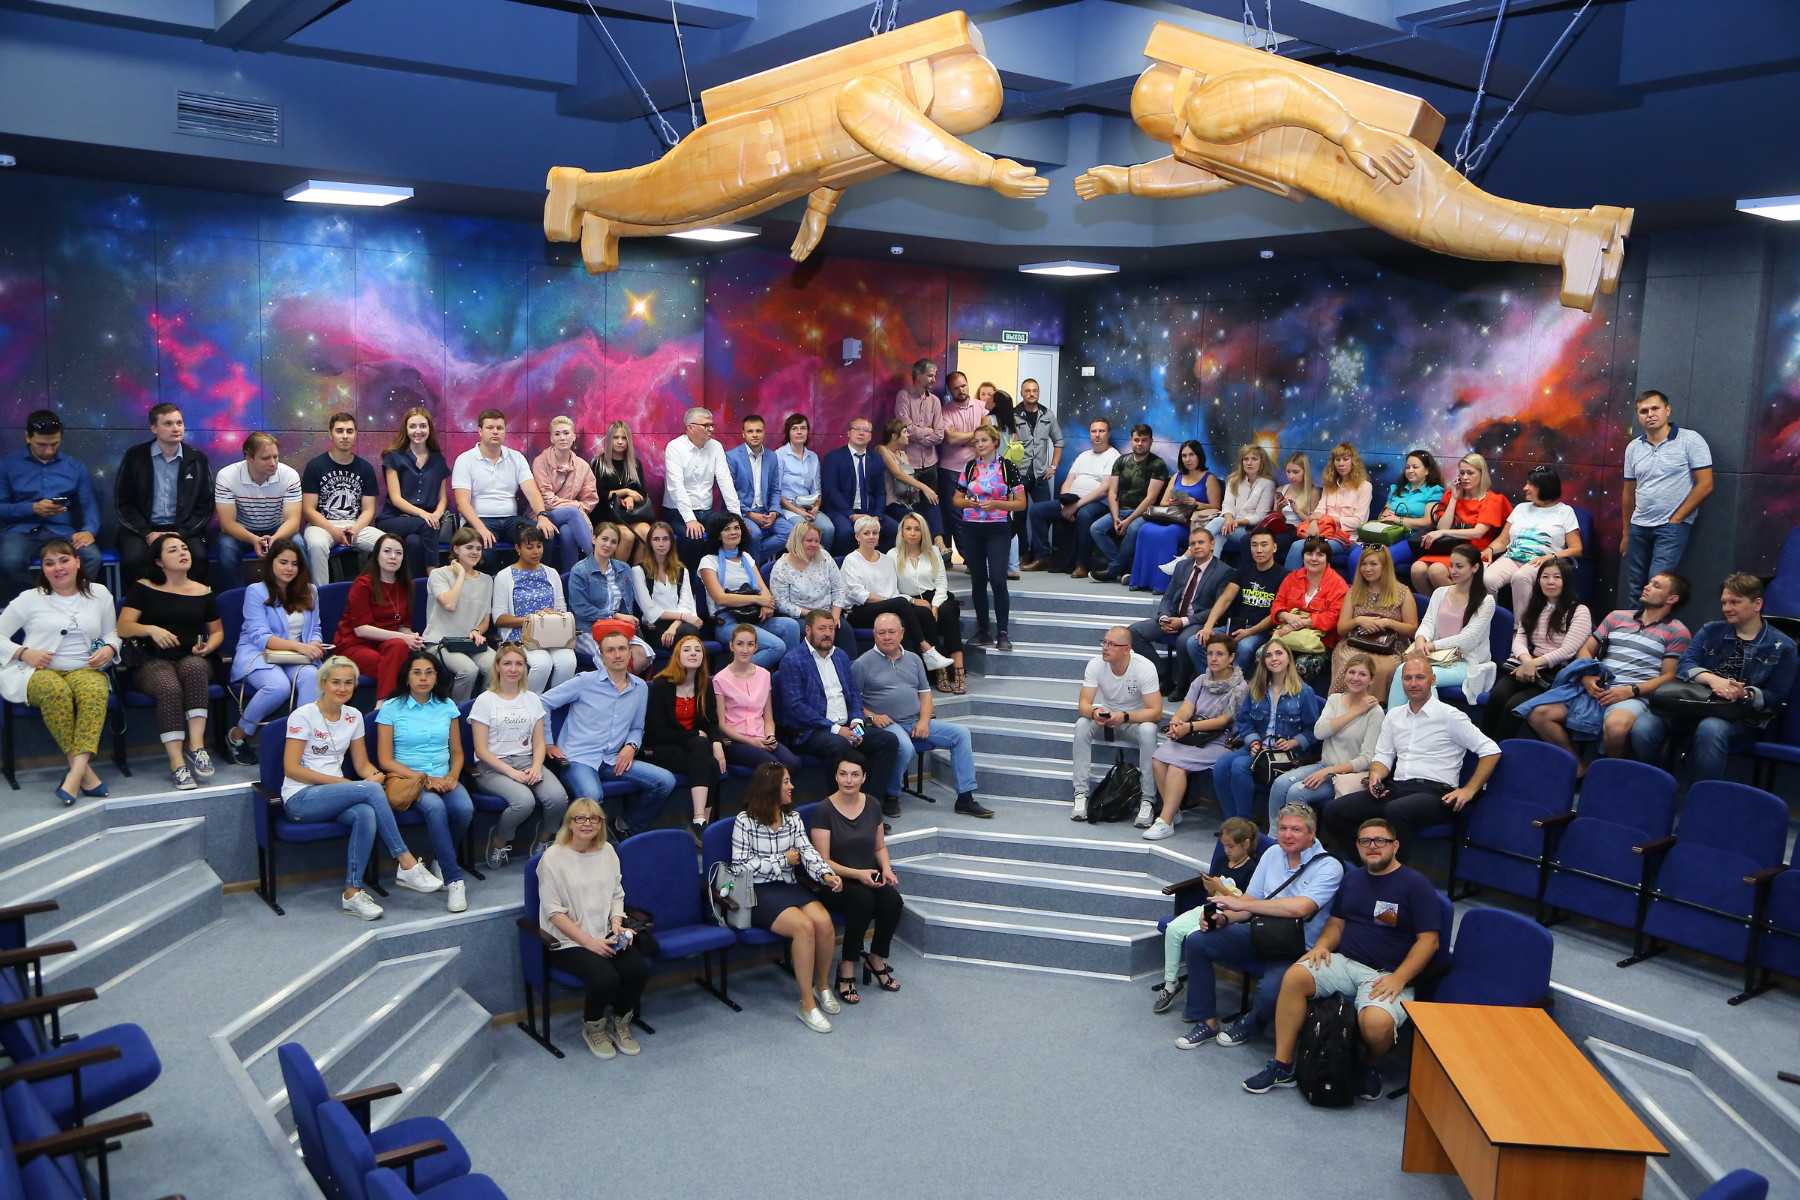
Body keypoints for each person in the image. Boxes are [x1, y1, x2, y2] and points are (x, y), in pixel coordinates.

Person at [1241, 816, 1443, 1100]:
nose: (1373, 846)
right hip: (1345, 963)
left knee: (1376, 1025)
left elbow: (1429, 941)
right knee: (1295, 975)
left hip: (1387, 973)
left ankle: (1370, 1063)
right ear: (1358, 846)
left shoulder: (1415, 885)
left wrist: (1399, 978)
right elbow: (1336, 923)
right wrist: (1321, 946)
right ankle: (1282, 1065)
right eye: (1365, 841)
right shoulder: (1353, 879)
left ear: (1395, 846)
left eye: (1380, 840)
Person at [1167, 805, 1345, 1049]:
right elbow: (1250, 901)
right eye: (1283, 828)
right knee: (1198, 940)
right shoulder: (1272, 853)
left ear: (1312, 833)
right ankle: (1206, 1021)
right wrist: (1225, 919)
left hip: (1296, 948)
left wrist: (1239, 903)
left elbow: (1301, 908)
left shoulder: (1329, 866)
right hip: (1261, 932)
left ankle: (1250, 1024)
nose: (1287, 835)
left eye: (1296, 829)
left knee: (1272, 992)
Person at [281, 655, 441, 921]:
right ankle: (406, 863)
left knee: (365, 813)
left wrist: (378, 777)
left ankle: (352, 894)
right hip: (300, 798)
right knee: (368, 792)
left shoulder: (353, 716)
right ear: (323, 683)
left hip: (335, 796)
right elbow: (291, 769)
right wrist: (350, 785)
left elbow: (362, 764)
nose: (342, 688)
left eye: (348, 683)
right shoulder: (303, 715)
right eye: (336, 682)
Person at [1325, 656, 1501, 859]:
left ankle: (1396, 874)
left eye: (1420, 677)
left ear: (1433, 680)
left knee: (1396, 810)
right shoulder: (1394, 716)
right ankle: (1369, 866)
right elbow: (1383, 756)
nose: (1413, 683)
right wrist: (1375, 775)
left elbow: (1491, 750)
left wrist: (1469, 790)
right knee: (1334, 810)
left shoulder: (1450, 716)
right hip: (1397, 788)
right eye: (1407, 678)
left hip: (1436, 794)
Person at [1635, 573, 1798, 782]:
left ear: (1757, 604)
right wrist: (1712, 679)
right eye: (1724, 602)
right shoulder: (1711, 630)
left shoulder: (1783, 646)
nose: (1727, 608)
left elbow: (1777, 695)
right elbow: (1685, 665)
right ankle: (1657, 783)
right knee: (1644, 727)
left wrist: (1745, 694)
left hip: (1740, 716)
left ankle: (1702, 795)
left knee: (1710, 728)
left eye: (1735, 602)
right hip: (1692, 704)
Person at [1526, 571, 1691, 770]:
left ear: (1672, 598)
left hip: (1634, 694)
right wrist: (1587, 674)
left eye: (1656, 586)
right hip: (1598, 687)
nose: (1647, 587)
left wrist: (1632, 690)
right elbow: (1586, 649)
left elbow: (1669, 676)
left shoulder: (1677, 631)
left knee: (1616, 727)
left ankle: (1613, 774)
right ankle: (1579, 768)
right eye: (1649, 582)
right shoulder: (1616, 616)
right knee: (1538, 714)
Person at [0, 542, 119, 804]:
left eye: (64, 560)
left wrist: (110, 648)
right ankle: (84, 775)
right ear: (43, 569)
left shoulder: (100, 593)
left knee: (95, 691)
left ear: (77, 561)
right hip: (38, 671)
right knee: (56, 691)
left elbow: (112, 633)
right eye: (49, 563)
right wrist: (24, 652)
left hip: (85, 668)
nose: (58, 568)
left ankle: (75, 774)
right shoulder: (29, 598)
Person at [730, 764, 843, 1032]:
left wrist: (826, 875)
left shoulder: (792, 818)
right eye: (786, 782)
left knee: (824, 922)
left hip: (787, 885)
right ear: (771, 787)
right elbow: (739, 867)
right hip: (757, 891)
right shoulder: (744, 821)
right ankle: (807, 1005)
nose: (792, 787)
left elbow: (808, 852)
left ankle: (822, 985)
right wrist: (781, 860)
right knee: (804, 927)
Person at [536, 797, 647, 1059]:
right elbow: (553, 912)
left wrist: (617, 924)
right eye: (580, 818)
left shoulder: (607, 851)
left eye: (594, 818)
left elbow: (617, 894)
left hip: (605, 932)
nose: (587, 823)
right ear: (569, 824)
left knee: (637, 969)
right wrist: (589, 942)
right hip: (568, 940)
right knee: (605, 978)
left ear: (600, 824)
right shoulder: (552, 858)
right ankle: (593, 1027)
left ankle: (619, 1022)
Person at [542, 631, 677, 841]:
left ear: (630, 653)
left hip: (613, 759)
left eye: (622, 649)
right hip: (578, 758)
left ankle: (626, 826)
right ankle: (578, 843)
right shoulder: (584, 681)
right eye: (610, 650)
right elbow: (542, 703)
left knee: (665, 781)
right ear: (601, 655)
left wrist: (631, 746)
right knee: (593, 797)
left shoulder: (640, 687)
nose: (617, 654)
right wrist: (548, 743)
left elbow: (637, 728)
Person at [854, 612, 990, 818]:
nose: (887, 637)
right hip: (887, 725)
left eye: (891, 632)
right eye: (881, 633)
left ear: (902, 633)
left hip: (914, 721)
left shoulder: (914, 659)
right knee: (904, 746)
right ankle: (891, 794)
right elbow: (853, 701)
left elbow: (925, 695)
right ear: (874, 635)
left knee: (961, 734)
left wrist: (924, 721)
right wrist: (873, 716)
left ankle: (965, 797)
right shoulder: (861, 664)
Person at [117, 536, 222, 790]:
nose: (182, 553)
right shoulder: (143, 587)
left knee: (195, 668)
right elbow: (123, 627)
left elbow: (217, 632)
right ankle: (177, 763)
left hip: (191, 656)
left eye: (185, 548)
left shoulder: (203, 591)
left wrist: (209, 647)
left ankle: (196, 746)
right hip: (151, 660)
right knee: (169, 687)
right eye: (173, 550)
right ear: (159, 561)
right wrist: (151, 629)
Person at [775, 609, 903, 815]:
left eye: (831, 628)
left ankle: (871, 808)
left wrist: (857, 721)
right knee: (839, 744)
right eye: (822, 628)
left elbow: (853, 694)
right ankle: (838, 812)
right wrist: (837, 729)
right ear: (808, 630)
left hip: (847, 726)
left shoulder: (841, 656)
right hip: (812, 731)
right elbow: (795, 707)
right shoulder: (793, 660)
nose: (828, 633)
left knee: (887, 740)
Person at [375, 651, 474, 913]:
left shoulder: (447, 705)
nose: (423, 678)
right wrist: (425, 779)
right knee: (436, 808)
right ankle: (454, 880)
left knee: (464, 808)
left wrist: (453, 776)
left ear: (437, 677)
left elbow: (457, 752)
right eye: (417, 672)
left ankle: (442, 858)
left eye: (429, 672)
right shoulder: (391, 708)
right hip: (409, 779)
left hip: (444, 776)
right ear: (406, 677)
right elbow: (385, 760)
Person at [811, 755, 905, 1003]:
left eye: (855, 774)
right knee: (863, 901)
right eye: (843, 774)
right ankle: (847, 966)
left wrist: (886, 869)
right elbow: (823, 861)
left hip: (867, 874)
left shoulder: (872, 804)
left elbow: (879, 847)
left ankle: (876, 959)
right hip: (835, 880)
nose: (848, 780)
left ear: (864, 777)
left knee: (893, 901)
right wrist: (858, 875)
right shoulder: (824, 810)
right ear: (836, 776)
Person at [224, 537, 324, 765]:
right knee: (278, 687)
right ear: (271, 564)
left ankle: (299, 744)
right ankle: (239, 734)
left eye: (295, 564)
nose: (289, 568)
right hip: (260, 654)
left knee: (313, 677)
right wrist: (301, 646)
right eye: (283, 562)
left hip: (297, 657)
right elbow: (261, 637)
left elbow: (315, 629)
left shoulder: (311, 591)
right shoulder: (256, 591)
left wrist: (315, 644)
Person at [472, 643, 569, 868]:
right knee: (523, 802)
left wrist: (536, 767)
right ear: (497, 666)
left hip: (527, 761)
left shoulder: (532, 698)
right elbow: (481, 750)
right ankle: (499, 839)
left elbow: (539, 743)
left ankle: (544, 838)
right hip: (493, 766)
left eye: (519, 664)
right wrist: (512, 773)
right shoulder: (485, 700)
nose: (513, 669)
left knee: (558, 798)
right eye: (507, 663)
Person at [1143, 633, 1245, 840]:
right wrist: (1177, 722)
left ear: (1231, 657)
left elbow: (1223, 721)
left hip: (1220, 741)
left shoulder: (1240, 687)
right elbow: (1186, 708)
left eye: (1220, 654)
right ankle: (1173, 811)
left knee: (1177, 766)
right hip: (1194, 735)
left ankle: (1165, 821)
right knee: (1158, 759)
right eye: (1210, 654)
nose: (1214, 658)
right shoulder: (1200, 680)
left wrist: (1188, 727)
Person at [1212, 639, 1324, 822]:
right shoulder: (1256, 688)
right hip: (1259, 747)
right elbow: (1245, 721)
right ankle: (1231, 822)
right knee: (1221, 766)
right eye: (1269, 655)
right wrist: (1253, 741)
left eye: (1279, 653)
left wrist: (1293, 742)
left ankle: (1243, 823)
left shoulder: (1304, 692)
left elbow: (1314, 730)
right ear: (1264, 662)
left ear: (1289, 658)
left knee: (1240, 766)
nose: (1274, 658)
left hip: (1287, 752)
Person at [1266, 654, 1384, 825]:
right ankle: (1275, 835)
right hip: (1324, 765)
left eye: (1362, 674)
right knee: (1279, 784)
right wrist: (1355, 711)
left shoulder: (1375, 712)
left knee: (1296, 791)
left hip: (1346, 775)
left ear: (1371, 680)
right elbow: (1319, 732)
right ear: (1345, 674)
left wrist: (1329, 771)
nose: (1355, 678)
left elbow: (1366, 759)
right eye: (1351, 672)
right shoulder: (1335, 699)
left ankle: (1302, 838)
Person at [1483, 558, 1592, 740]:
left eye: (1557, 577)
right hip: (1528, 664)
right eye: (1545, 577)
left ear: (1566, 581)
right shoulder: (1535, 607)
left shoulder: (1579, 611)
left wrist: (1533, 664)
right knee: (1498, 695)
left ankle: (1501, 748)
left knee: (1514, 705)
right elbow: (1520, 638)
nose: (1550, 582)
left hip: (1556, 672)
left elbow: (1568, 650)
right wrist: (1526, 660)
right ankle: (1485, 744)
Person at [0, 411, 102, 604]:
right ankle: (37, 606)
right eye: (42, 445)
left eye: (54, 444)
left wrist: (89, 530)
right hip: (21, 530)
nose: (48, 450)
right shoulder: (7, 465)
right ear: (28, 437)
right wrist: (32, 508)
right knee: (9, 561)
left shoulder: (75, 467)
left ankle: (72, 604)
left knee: (92, 558)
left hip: (62, 530)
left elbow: (89, 504)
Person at [1621, 389, 1713, 603]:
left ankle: (1655, 625)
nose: (1650, 414)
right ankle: (1634, 624)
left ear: (1667, 410)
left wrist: (1677, 519)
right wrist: (1626, 533)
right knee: (1635, 588)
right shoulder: (1633, 447)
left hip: (1670, 527)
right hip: (1638, 526)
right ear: (1638, 416)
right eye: (1644, 411)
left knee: (1658, 586)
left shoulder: (1690, 440)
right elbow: (1628, 493)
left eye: (1655, 408)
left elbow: (1705, 484)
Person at [114, 403, 213, 589]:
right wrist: (147, 533)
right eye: (168, 424)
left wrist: (182, 533)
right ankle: (142, 604)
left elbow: (205, 505)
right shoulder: (135, 456)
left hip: (183, 529)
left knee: (198, 557)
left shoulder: (197, 459)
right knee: (134, 558)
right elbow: (124, 503)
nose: (176, 428)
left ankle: (191, 603)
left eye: (179, 423)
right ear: (154, 428)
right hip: (143, 529)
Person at [1071, 626, 1164, 821]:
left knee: (1149, 730)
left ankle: (1147, 800)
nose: (1105, 647)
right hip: (1106, 721)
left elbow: (1155, 712)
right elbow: (1083, 705)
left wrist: (1125, 716)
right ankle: (1080, 794)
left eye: (1112, 644)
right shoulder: (1095, 664)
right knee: (1081, 725)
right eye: (1104, 642)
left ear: (1126, 649)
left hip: (1133, 722)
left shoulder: (1144, 667)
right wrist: (1095, 712)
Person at [451, 409, 558, 573]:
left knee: (543, 535)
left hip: (511, 520)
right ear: (480, 431)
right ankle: (488, 588)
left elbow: (532, 492)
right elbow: (462, 503)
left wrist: (542, 516)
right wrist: (481, 528)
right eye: (490, 428)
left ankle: (537, 579)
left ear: (505, 431)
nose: (495, 432)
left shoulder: (516, 457)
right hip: (479, 520)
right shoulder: (465, 460)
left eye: (499, 428)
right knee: (484, 550)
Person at [1128, 526, 1236, 689]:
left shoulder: (1224, 571)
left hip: (1198, 620)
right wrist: (1164, 617)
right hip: (1173, 616)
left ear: (1212, 545)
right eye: (1193, 544)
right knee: (1133, 632)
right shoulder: (1182, 566)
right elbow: (1168, 596)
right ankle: (1162, 674)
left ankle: (1182, 684)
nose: (1197, 547)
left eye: (1201, 542)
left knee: (1184, 641)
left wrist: (1184, 621)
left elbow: (1218, 609)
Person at [643, 635, 728, 841]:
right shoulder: (662, 684)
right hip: (663, 746)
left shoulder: (705, 683)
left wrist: (717, 743)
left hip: (694, 748)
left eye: (698, 650)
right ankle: (701, 823)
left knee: (710, 760)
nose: (693, 653)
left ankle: (700, 822)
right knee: (703, 750)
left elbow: (711, 721)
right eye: (687, 649)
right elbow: (658, 730)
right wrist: (694, 734)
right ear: (677, 656)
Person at [1391, 543, 1495, 707]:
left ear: (1475, 567)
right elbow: (1428, 623)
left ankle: (1432, 722)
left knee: (1423, 677)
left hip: (1465, 662)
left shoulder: (1486, 601)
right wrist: (1420, 640)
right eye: (1451, 565)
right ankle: (1393, 720)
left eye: (1459, 566)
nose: (1453, 571)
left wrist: (1433, 645)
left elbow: (1468, 639)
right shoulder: (1440, 593)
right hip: (1436, 658)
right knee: (1402, 670)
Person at [840, 516, 951, 669]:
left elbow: (894, 592)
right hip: (859, 611)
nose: (871, 537)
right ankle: (926, 649)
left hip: (888, 606)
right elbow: (858, 594)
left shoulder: (885, 559)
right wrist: (889, 602)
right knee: (901, 604)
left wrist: (905, 602)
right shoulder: (852, 560)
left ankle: (924, 667)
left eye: (875, 533)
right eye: (866, 533)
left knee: (922, 612)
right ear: (857, 537)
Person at [697, 513, 799, 671]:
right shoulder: (709, 561)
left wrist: (766, 605)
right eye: (727, 529)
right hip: (727, 621)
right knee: (776, 646)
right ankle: (730, 676)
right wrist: (758, 600)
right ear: (718, 535)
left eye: (736, 528)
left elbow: (763, 590)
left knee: (792, 626)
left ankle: (788, 676)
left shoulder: (746, 557)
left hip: (753, 615)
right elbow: (721, 598)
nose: (733, 532)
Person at [956, 423, 1025, 651]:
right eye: (976, 441)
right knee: (977, 580)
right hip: (972, 527)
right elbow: (956, 499)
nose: (980, 444)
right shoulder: (969, 467)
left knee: (997, 579)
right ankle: (984, 630)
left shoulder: (1007, 467)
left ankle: (1002, 632)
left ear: (995, 442)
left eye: (984, 440)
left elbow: (1021, 503)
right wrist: (970, 502)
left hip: (998, 528)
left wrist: (996, 503)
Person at [1481, 464, 1583, 611]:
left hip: (1542, 561)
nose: (1525, 488)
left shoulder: (1565, 512)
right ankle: (1490, 620)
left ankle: (1521, 624)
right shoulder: (1520, 508)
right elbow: (1503, 541)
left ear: (1544, 487)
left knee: (1520, 577)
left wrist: (1549, 557)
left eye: (1530, 485)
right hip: (1512, 557)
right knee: (1487, 579)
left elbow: (1576, 549)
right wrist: (1489, 549)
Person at [1025, 418, 1117, 577]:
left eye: (1101, 431)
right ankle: (1042, 557)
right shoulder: (1083, 456)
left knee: (1084, 514)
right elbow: (1068, 482)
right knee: (1037, 510)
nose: (1097, 435)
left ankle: (1082, 564)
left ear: (1108, 434)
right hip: (1072, 501)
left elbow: (1104, 490)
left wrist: (1075, 506)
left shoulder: (1113, 456)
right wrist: (1064, 503)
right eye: (1094, 431)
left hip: (1097, 504)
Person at [335, 533, 422, 700]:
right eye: (387, 551)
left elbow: (403, 625)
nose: (393, 556)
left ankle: (385, 705)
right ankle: (385, 705)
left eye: (398, 553)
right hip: (355, 643)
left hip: (388, 644)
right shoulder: (363, 584)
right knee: (395, 666)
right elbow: (361, 630)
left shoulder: (407, 586)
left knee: (399, 648)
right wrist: (403, 637)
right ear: (377, 555)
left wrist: (412, 637)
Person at [300, 411, 384, 584]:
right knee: (317, 545)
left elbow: (369, 509)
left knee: (387, 544)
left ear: (355, 434)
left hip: (355, 525)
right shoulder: (315, 466)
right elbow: (308, 510)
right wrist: (335, 531)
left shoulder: (365, 468)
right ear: (330, 434)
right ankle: (321, 594)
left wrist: (355, 529)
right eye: (339, 431)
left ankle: (377, 592)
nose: (345, 436)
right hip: (321, 525)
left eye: (349, 431)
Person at [213, 432, 302, 593]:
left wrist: (275, 539)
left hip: (277, 529)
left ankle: (299, 596)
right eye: (265, 458)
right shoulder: (227, 476)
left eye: (276, 456)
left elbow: (293, 522)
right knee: (226, 548)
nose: (273, 463)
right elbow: (227, 524)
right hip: (242, 531)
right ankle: (235, 599)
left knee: (299, 544)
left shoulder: (289, 476)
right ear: (249, 457)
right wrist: (254, 539)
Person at [491, 526, 577, 692]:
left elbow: (562, 610)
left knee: (568, 662)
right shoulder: (504, 576)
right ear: (518, 548)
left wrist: (554, 615)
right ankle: (530, 702)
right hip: (520, 635)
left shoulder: (552, 573)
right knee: (542, 663)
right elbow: (499, 618)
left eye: (539, 546)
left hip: (552, 633)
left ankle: (553, 702)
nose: (536, 552)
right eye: (530, 547)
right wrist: (532, 620)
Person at [1410, 452, 1510, 592]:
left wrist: (1443, 533)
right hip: (1447, 548)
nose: (1465, 477)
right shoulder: (1451, 494)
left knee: (1436, 571)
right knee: (1417, 569)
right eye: (1462, 473)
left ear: (1482, 474)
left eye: (1470, 473)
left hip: (1473, 551)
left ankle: (1461, 604)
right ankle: (1433, 605)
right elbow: (1441, 526)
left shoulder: (1493, 500)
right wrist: (1454, 499)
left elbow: (1478, 533)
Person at [1330, 543, 1417, 699]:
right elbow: (1341, 628)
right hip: (1356, 643)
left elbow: (1411, 629)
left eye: (1373, 564)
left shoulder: (1402, 592)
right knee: (1349, 663)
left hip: (1389, 647)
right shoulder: (1354, 591)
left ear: (1385, 566)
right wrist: (1358, 620)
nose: (1367, 569)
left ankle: (1374, 706)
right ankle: (1342, 703)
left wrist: (1387, 623)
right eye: (1364, 564)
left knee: (1384, 669)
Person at [891, 511, 964, 694]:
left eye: (917, 529)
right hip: (910, 600)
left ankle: (959, 670)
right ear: (902, 531)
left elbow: (941, 583)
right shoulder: (893, 555)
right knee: (923, 614)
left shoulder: (933, 551)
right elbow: (891, 590)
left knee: (949, 611)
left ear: (923, 532)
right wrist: (913, 600)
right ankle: (940, 671)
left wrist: (936, 606)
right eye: (908, 529)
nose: (912, 533)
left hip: (936, 596)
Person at [1089, 423, 1169, 584]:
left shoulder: (1158, 464)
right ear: (1131, 440)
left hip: (1144, 513)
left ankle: (1112, 571)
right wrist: (1116, 517)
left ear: (1151, 441)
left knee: (1132, 529)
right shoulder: (1121, 461)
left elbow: (1151, 498)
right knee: (1096, 528)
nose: (1140, 443)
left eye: (1144, 440)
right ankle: (1124, 568)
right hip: (1120, 510)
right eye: (1137, 440)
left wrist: (1129, 520)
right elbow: (1112, 492)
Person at [423, 528, 496, 703]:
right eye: (469, 547)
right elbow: (449, 604)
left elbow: (485, 619)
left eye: (478, 548)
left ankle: (484, 708)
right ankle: (457, 713)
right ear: (456, 549)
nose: (475, 552)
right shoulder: (438, 574)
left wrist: (477, 631)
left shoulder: (486, 580)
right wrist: (462, 575)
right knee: (468, 670)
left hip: (469, 642)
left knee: (496, 665)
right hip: (439, 641)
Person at [376, 406, 450, 580]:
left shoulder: (438, 459)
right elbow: (396, 498)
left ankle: (413, 587)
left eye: (423, 426)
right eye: (413, 426)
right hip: (394, 519)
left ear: (429, 429)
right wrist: (424, 515)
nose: (418, 431)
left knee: (414, 542)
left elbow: (442, 498)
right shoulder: (393, 456)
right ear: (406, 429)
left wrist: (437, 515)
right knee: (427, 525)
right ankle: (434, 576)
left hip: (426, 523)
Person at [714, 624, 800, 772]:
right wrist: (751, 742)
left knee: (793, 763)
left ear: (756, 647)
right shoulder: (720, 679)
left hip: (762, 736)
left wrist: (771, 736)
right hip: (736, 740)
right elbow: (722, 725)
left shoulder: (764, 675)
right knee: (772, 765)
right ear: (731, 646)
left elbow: (768, 718)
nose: (745, 650)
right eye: (740, 644)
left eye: (750, 644)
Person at [567, 522, 650, 674]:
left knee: (643, 653)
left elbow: (628, 605)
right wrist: (615, 615)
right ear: (594, 539)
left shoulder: (623, 568)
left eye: (613, 542)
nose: (608, 545)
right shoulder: (579, 570)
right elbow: (580, 609)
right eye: (604, 539)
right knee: (610, 656)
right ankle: (617, 685)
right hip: (587, 630)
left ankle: (622, 684)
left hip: (617, 628)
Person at [661, 407, 741, 564]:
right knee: (694, 538)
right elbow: (676, 486)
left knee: (730, 530)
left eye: (712, 425)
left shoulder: (716, 446)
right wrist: (690, 519)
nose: (710, 429)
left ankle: (720, 574)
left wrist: (736, 517)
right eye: (706, 425)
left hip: (706, 511)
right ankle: (689, 578)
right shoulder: (675, 447)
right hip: (676, 511)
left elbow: (725, 482)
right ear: (690, 428)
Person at [1209, 528, 1285, 675]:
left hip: (1262, 631)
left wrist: (1249, 632)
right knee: (1195, 642)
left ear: (1274, 547)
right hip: (1236, 626)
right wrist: (1208, 626)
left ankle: (1235, 685)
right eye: (1254, 545)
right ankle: (1215, 680)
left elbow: (1277, 613)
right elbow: (1225, 599)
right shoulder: (1244, 570)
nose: (1259, 550)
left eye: (1264, 545)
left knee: (1244, 647)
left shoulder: (1284, 576)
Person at [531, 415, 600, 571]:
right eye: (557, 434)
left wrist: (578, 509)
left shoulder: (582, 466)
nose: (562, 438)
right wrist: (577, 508)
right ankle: (600, 563)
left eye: (566, 433)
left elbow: (590, 499)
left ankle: (570, 578)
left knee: (568, 532)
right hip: (543, 515)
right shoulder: (540, 461)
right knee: (572, 513)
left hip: (570, 519)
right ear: (551, 438)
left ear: (574, 437)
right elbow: (546, 499)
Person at [1285, 443, 1369, 571]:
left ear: (1354, 461)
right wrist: (1314, 523)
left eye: (1345, 459)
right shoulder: (1330, 485)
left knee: (1308, 547)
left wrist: (1328, 519)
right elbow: (1318, 512)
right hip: (1324, 533)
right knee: (1296, 545)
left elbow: (1359, 522)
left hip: (1347, 539)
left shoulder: (1365, 486)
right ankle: (1290, 583)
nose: (1341, 464)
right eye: (1337, 460)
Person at [631, 522, 705, 654]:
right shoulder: (638, 571)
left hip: (679, 623)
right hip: (653, 626)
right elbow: (650, 611)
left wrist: (674, 626)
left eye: (665, 539)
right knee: (687, 639)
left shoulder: (682, 570)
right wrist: (684, 616)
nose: (661, 544)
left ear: (671, 542)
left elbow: (687, 604)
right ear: (649, 543)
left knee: (689, 633)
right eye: (656, 539)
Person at [1271, 536, 1350, 657]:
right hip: (1286, 635)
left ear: (1328, 559)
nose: (1313, 559)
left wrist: (1301, 623)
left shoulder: (1338, 584)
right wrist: (1286, 616)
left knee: (1303, 664)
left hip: (1321, 641)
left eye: (1320, 555)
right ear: (1303, 556)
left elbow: (1334, 616)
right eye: (1309, 554)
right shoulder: (1291, 578)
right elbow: (1277, 604)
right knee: (1264, 656)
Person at [821, 417, 894, 550]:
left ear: (870, 436)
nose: (861, 433)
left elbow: (880, 491)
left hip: (870, 511)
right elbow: (831, 490)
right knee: (846, 533)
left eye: (865, 430)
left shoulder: (876, 459)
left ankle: (876, 560)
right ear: (849, 433)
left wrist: (877, 515)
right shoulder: (834, 457)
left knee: (896, 530)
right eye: (857, 429)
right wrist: (851, 515)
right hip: (842, 511)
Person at [1013, 378, 1063, 569]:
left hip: (1041, 473)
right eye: (1027, 391)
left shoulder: (1047, 415)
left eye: (1034, 390)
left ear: (1039, 392)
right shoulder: (1013, 415)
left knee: (1044, 513)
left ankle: (1040, 554)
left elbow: (1059, 441)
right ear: (1022, 393)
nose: (1031, 394)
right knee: (1019, 515)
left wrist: (1054, 466)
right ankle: (1024, 553)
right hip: (1019, 473)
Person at [590, 420, 653, 564]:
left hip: (629, 515)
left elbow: (642, 493)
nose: (620, 442)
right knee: (627, 536)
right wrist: (625, 491)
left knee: (648, 533)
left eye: (624, 438)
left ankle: (636, 573)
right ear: (609, 439)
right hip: (605, 515)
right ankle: (617, 574)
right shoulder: (598, 463)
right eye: (616, 437)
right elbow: (598, 495)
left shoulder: (635, 463)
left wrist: (631, 498)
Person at [723, 413, 784, 563]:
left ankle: (748, 559)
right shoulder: (731, 457)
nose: (755, 435)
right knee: (754, 535)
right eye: (750, 431)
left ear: (764, 433)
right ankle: (756, 571)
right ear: (743, 434)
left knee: (791, 533)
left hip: (766, 511)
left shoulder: (772, 456)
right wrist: (750, 514)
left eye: (758, 431)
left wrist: (774, 511)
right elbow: (730, 493)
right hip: (743, 511)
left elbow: (775, 489)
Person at [936, 371, 985, 553]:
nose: (961, 390)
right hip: (951, 470)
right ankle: (968, 557)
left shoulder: (982, 407)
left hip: (978, 469)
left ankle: (976, 556)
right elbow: (951, 439)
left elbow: (990, 436)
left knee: (977, 513)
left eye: (963, 385)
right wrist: (978, 435)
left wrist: (961, 438)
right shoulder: (945, 411)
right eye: (956, 388)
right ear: (950, 390)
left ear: (968, 384)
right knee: (955, 515)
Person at [875, 420, 944, 548]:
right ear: (894, 436)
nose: (908, 435)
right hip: (891, 504)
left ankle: (940, 545)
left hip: (906, 502)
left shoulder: (904, 455)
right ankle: (929, 549)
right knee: (920, 519)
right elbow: (898, 473)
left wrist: (912, 488)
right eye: (905, 432)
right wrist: (924, 487)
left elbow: (907, 480)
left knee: (932, 505)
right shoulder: (882, 450)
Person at [1205, 443, 1277, 564]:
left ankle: (1188, 555)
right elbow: (1227, 505)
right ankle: (1211, 569)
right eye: (1246, 459)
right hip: (1229, 525)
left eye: (1254, 459)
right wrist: (1229, 519)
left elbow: (1260, 516)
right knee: (1218, 536)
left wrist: (1237, 522)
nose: (1249, 463)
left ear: (1262, 462)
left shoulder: (1268, 484)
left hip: (1249, 530)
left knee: (1219, 522)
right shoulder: (1233, 480)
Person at [773, 413, 833, 553]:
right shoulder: (780, 455)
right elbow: (776, 492)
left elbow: (817, 491)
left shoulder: (812, 457)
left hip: (809, 508)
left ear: (807, 432)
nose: (799, 432)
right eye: (795, 428)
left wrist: (816, 508)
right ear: (788, 433)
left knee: (828, 529)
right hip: (788, 508)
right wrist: (798, 511)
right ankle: (803, 563)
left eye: (803, 428)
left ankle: (821, 561)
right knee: (805, 532)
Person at [894, 359, 943, 523]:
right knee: (912, 509)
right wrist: (928, 431)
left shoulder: (935, 401)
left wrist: (917, 436)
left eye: (934, 376)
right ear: (918, 374)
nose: (933, 380)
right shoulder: (904, 396)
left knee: (932, 506)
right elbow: (906, 428)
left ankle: (934, 538)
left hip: (930, 462)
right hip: (909, 463)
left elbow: (940, 435)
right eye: (929, 376)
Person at [769, 521, 847, 624]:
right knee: (818, 630)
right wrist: (814, 615)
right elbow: (782, 603)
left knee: (845, 631)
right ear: (797, 541)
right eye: (809, 540)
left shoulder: (824, 556)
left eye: (817, 541)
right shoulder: (781, 568)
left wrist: (835, 616)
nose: (814, 545)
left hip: (828, 614)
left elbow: (839, 587)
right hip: (801, 617)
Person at [1374, 450, 1447, 541]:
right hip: (1389, 534)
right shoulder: (1396, 489)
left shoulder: (1434, 491)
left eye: (1415, 467)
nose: (1410, 471)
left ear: (1427, 471)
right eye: (1407, 467)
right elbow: (1385, 510)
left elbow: (1428, 521)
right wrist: (1386, 514)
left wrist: (1398, 519)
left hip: (1415, 539)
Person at [1160, 439, 1222, 529]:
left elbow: (1216, 507)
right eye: (1184, 456)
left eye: (1191, 455)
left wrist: (1196, 504)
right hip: (1175, 517)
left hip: (1194, 521)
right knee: (1146, 528)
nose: (1187, 459)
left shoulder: (1210, 478)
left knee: (1169, 531)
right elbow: (1163, 502)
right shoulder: (1177, 476)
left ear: (1199, 456)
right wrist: (1171, 503)